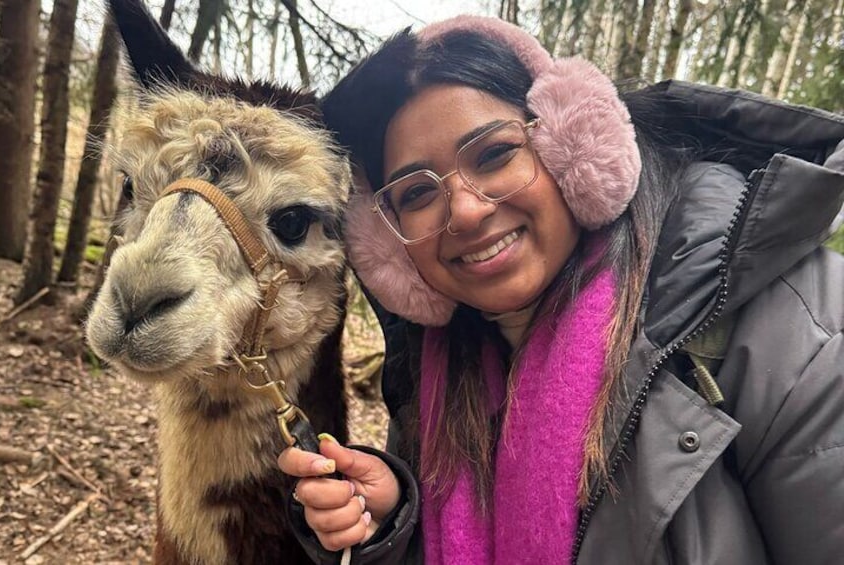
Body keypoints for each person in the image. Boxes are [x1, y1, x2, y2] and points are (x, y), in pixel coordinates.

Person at [278, 15, 844, 565]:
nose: (468, 213)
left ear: (573, 144)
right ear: (388, 245)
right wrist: (393, 524)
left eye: (495, 155)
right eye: (418, 195)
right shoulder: (433, 378)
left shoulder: (788, 321)